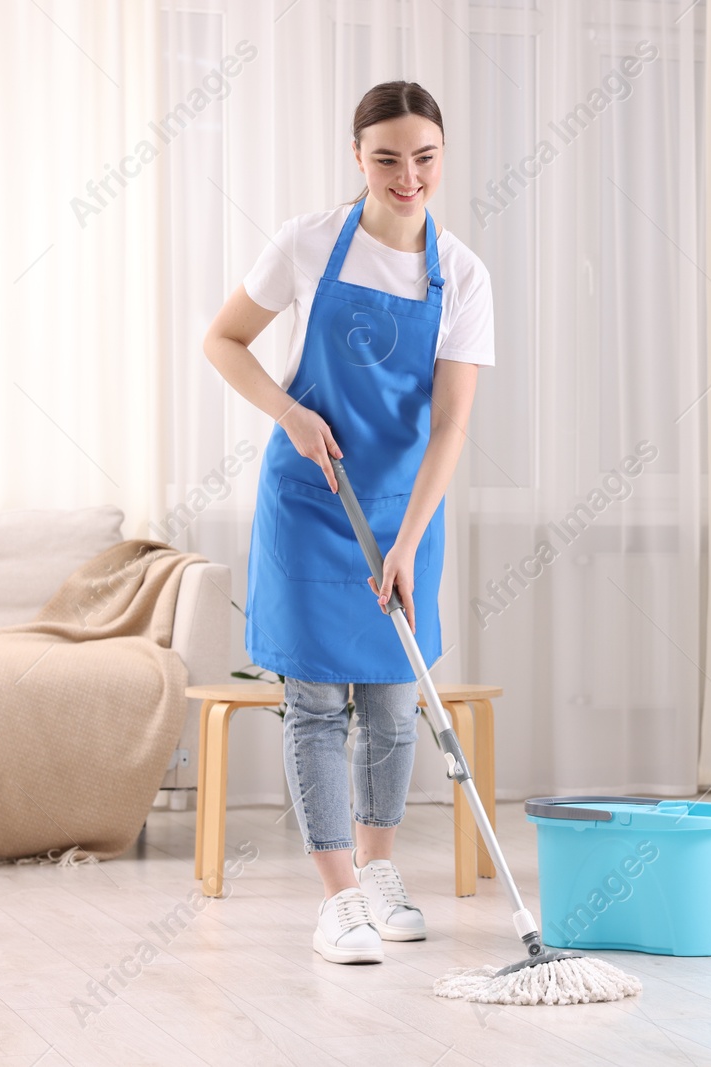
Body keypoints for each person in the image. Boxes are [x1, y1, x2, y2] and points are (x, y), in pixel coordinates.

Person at [202, 81, 494, 964]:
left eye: (425, 157)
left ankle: (378, 874)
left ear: (443, 155)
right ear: (357, 158)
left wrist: (407, 541)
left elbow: (449, 425)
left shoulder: (463, 274)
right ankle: (337, 901)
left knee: (396, 707)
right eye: (387, 158)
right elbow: (224, 340)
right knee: (318, 706)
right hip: (308, 504)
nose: (409, 176)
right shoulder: (309, 243)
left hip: (406, 512)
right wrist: (288, 413)